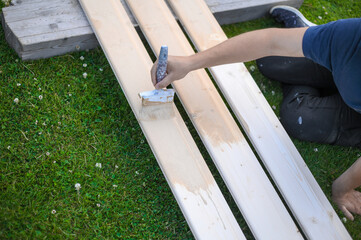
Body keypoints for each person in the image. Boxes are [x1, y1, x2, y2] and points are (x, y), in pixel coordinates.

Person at [150, 6, 361, 220]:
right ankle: (311, 41)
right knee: (269, 59)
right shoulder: (352, 35)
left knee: (299, 117)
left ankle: (324, 80)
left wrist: (341, 190)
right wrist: (190, 62)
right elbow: (270, 41)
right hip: (347, 74)